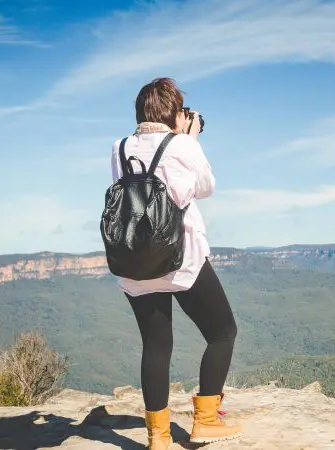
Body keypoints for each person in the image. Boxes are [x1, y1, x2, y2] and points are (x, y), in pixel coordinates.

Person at [109, 77, 241, 449]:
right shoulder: (182, 144)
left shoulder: (119, 147)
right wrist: (190, 137)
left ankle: (159, 439)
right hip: (179, 260)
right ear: (174, 111)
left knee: (155, 344)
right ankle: (206, 421)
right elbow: (205, 186)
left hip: (135, 261)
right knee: (222, 333)